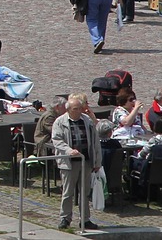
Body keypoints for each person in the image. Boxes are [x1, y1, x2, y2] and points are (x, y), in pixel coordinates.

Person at [51, 94, 101, 230]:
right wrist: (68, 150)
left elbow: (95, 142)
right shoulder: (60, 122)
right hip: (69, 162)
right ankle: (65, 218)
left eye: (80, 108)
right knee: (68, 192)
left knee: (84, 192)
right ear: (69, 110)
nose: (79, 111)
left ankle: (85, 219)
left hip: (85, 161)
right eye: (76, 109)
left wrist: (97, 161)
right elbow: (57, 140)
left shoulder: (87, 121)